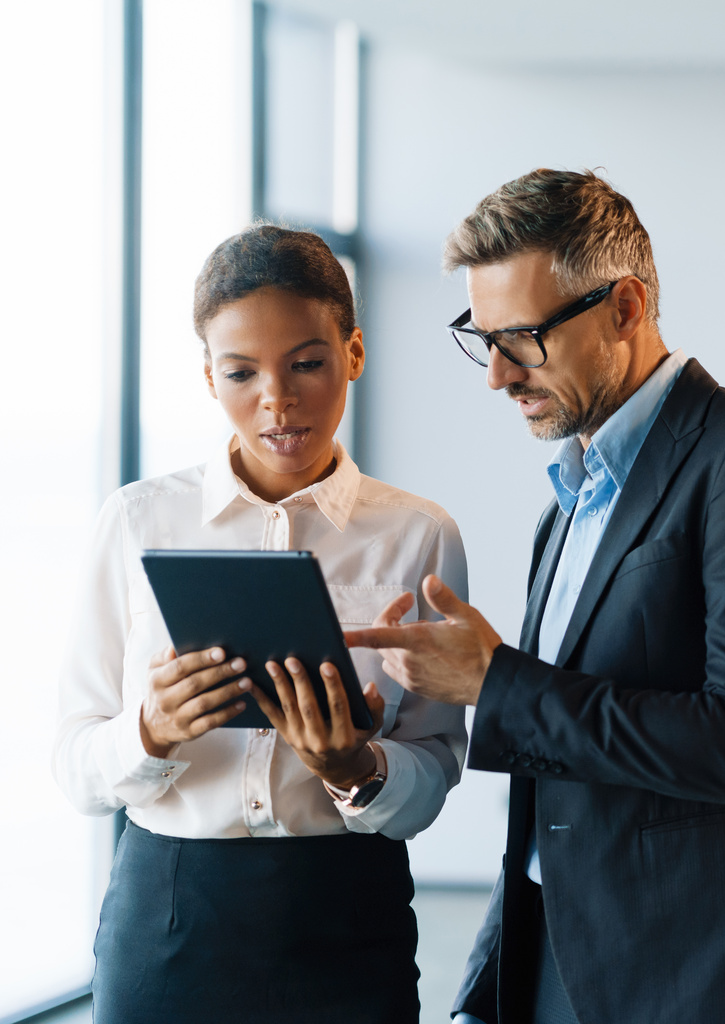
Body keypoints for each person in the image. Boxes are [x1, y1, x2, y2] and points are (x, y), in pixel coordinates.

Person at [344, 170, 725, 1024]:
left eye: (524, 338)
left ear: (626, 307)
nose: (497, 376)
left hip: (708, 983)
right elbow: (556, 799)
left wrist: (495, 683)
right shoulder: (568, 505)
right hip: (561, 975)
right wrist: (486, 987)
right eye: (482, 336)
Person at [52, 226, 468, 1024]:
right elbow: (74, 766)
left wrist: (356, 767)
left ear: (353, 352)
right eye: (242, 372)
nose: (277, 399)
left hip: (349, 920)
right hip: (167, 916)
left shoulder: (420, 535)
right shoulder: (138, 521)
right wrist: (151, 731)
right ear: (210, 378)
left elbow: (438, 766)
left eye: (308, 363)